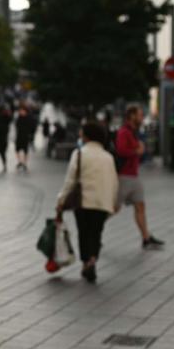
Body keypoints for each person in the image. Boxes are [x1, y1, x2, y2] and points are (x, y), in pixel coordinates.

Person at [56, 121, 119, 283]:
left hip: (83, 201)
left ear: (87, 136)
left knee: (84, 232)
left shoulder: (79, 154)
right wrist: (114, 201)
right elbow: (114, 181)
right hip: (102, 202)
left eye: (82, 133)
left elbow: (70, 180)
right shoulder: (108, 157)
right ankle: (93, 259)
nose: (80, 136)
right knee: (96, 233)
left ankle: (86, 262)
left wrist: (61, 199)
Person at [115, 105, 164, 249]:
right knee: (114, 208)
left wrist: (138, 150)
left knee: (140, 206)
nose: (142, 118)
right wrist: (137, 150)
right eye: (140, 115)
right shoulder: (124, 132)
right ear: (131, 116)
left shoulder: (133, 132)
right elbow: (121, 150)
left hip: (133, 176)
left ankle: (146, 238)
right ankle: (95, 231)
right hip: (124, 176)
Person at [14, 105, 37, 171]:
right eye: (20, 111)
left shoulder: (29, 118)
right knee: (17, 149)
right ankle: (20, 162)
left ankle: (24, 163)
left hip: (26, 136)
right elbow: (16, 126)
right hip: (19, 136)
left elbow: (33, 127)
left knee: (25, 150)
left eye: (22, 111)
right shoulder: (19, 118)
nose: (21, 112)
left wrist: (31, 135)